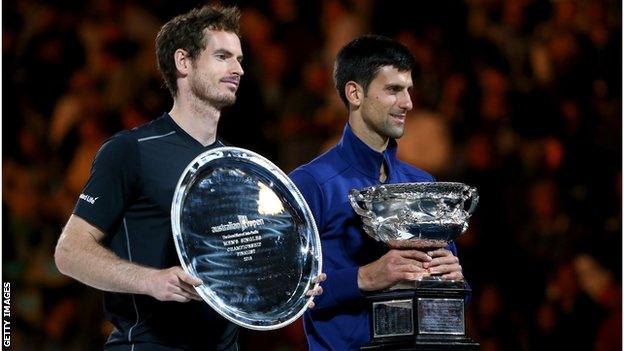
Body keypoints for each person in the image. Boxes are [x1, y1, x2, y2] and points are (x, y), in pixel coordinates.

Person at [54, 5, 323, 351]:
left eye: (239, 59)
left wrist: (288, 281)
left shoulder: (236, 165)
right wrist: (151, 280)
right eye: (223, 56)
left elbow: (239, 261)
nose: (238, 69)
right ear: (184, 62)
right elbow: (69, 252)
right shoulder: (130, 150)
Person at [289, 35, 464, 350]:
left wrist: (454, 279)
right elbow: (284, 290)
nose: (408, 102)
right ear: (355, 93)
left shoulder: (422, 182)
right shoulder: (311, 183)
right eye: (393, 90)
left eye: (408, 89)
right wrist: (365, 277)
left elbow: (453, 302)